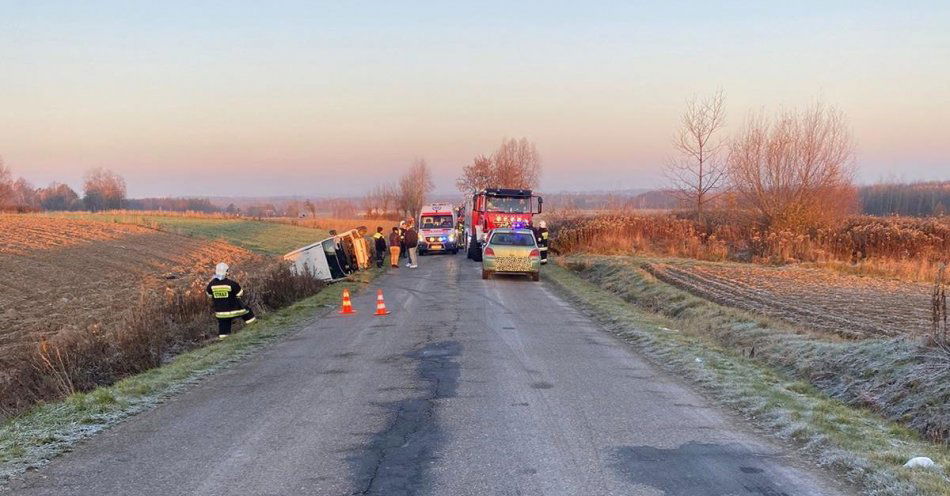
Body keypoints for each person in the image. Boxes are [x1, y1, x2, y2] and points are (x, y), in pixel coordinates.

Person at [205, 262, 255, 339]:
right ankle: (254, 326)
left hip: (220, 313)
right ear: (226, 272)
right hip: (235, 310)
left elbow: (209, 295)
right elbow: (240, 293)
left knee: (223, 326)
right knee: (247, 311)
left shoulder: (211, 284)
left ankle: (224, 339)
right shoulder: (231, 283)